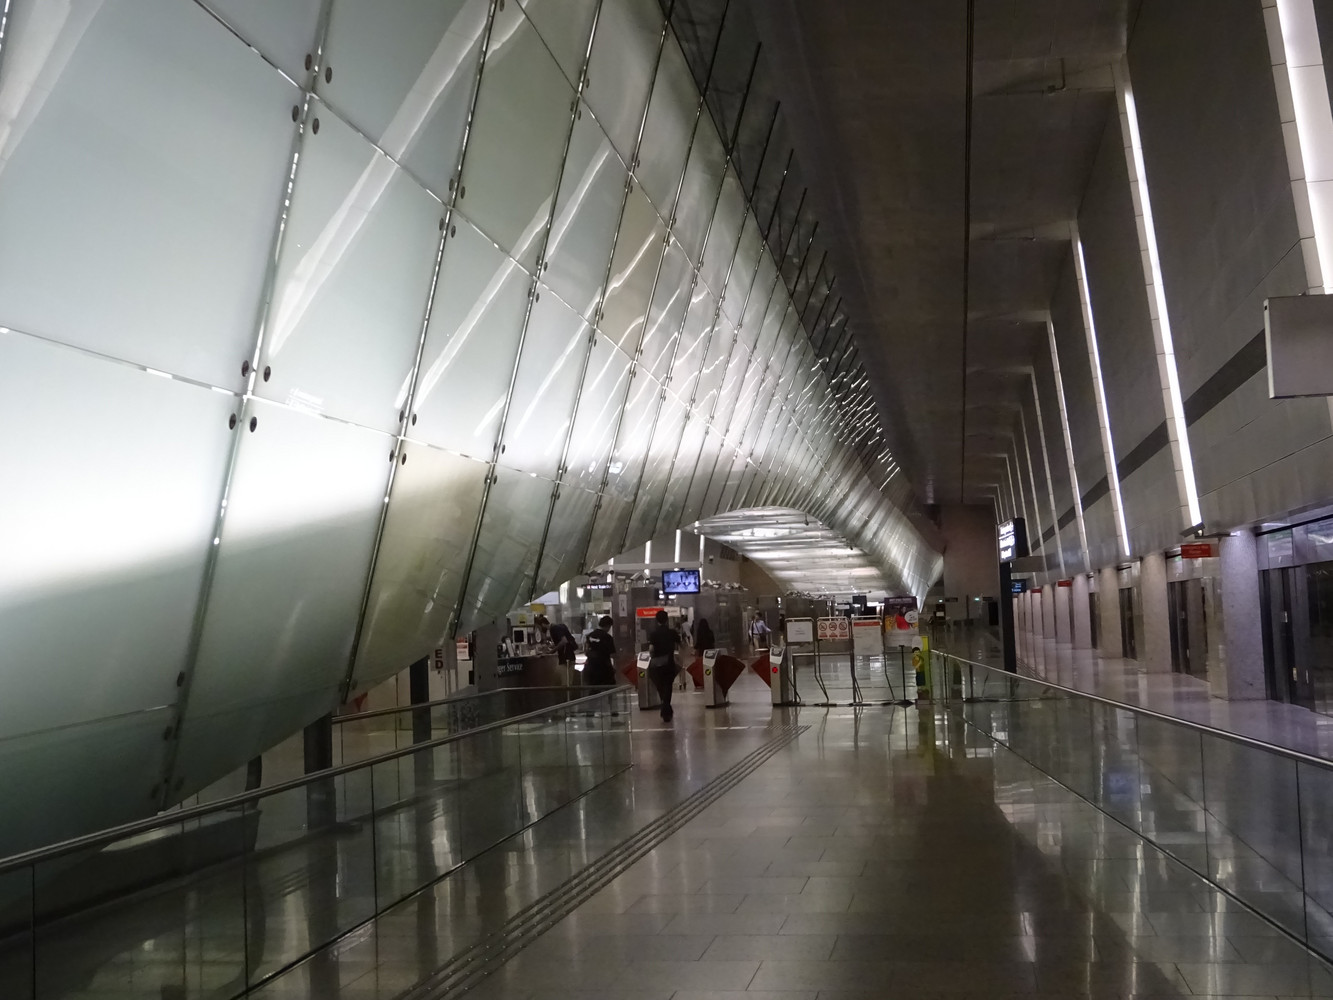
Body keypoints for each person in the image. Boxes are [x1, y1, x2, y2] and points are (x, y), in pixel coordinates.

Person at [648, 609, 679, 722]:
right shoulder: (672, 632)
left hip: (657, 664)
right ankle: (666, 708)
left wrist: (653, 657)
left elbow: (651, 649)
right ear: (667, 620)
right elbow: (680, 644)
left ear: (657, 620)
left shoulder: (653, 634)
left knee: (660, 685)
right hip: (669, 663)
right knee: (668, 685)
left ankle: (665, 706)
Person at [583, 615, 617, 687]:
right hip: (604, 668)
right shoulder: (607, 637)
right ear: (608, 626)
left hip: (591, 667)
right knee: (609, 689)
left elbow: (586, 651)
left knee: (593, 689)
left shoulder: (589, 636)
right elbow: (613, 654)